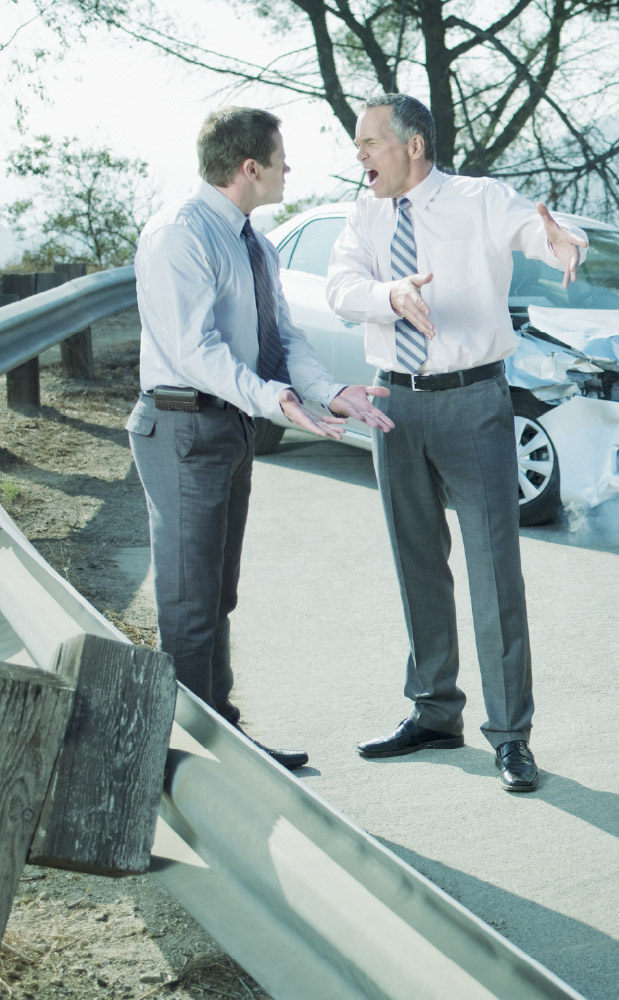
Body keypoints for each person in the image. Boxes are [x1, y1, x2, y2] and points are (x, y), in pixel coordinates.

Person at [325, 93, 587, 793]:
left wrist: (561, 241)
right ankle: (434, 711)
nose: (360, 156)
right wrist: (390, 296)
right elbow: (341, 287)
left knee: (494, 571)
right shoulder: (363, 215)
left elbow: (534, 232)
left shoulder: (478, 199)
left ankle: (510, 736)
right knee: (417, 563)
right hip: (394, 403)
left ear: (413, 146)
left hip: (474, 402)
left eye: (371, 143)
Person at [129, 106, 394, 770]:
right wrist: (273, 398)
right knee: (189, 605)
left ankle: (218, 735)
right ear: (250, 167)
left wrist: (327, 391)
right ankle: (182, 764)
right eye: (280, 158)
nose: (288, 169)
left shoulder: (254, 242)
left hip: (228, 423)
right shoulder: (177, 236)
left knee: (218, 593)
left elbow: (281, 340)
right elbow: (196, 350)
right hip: (184, 424)